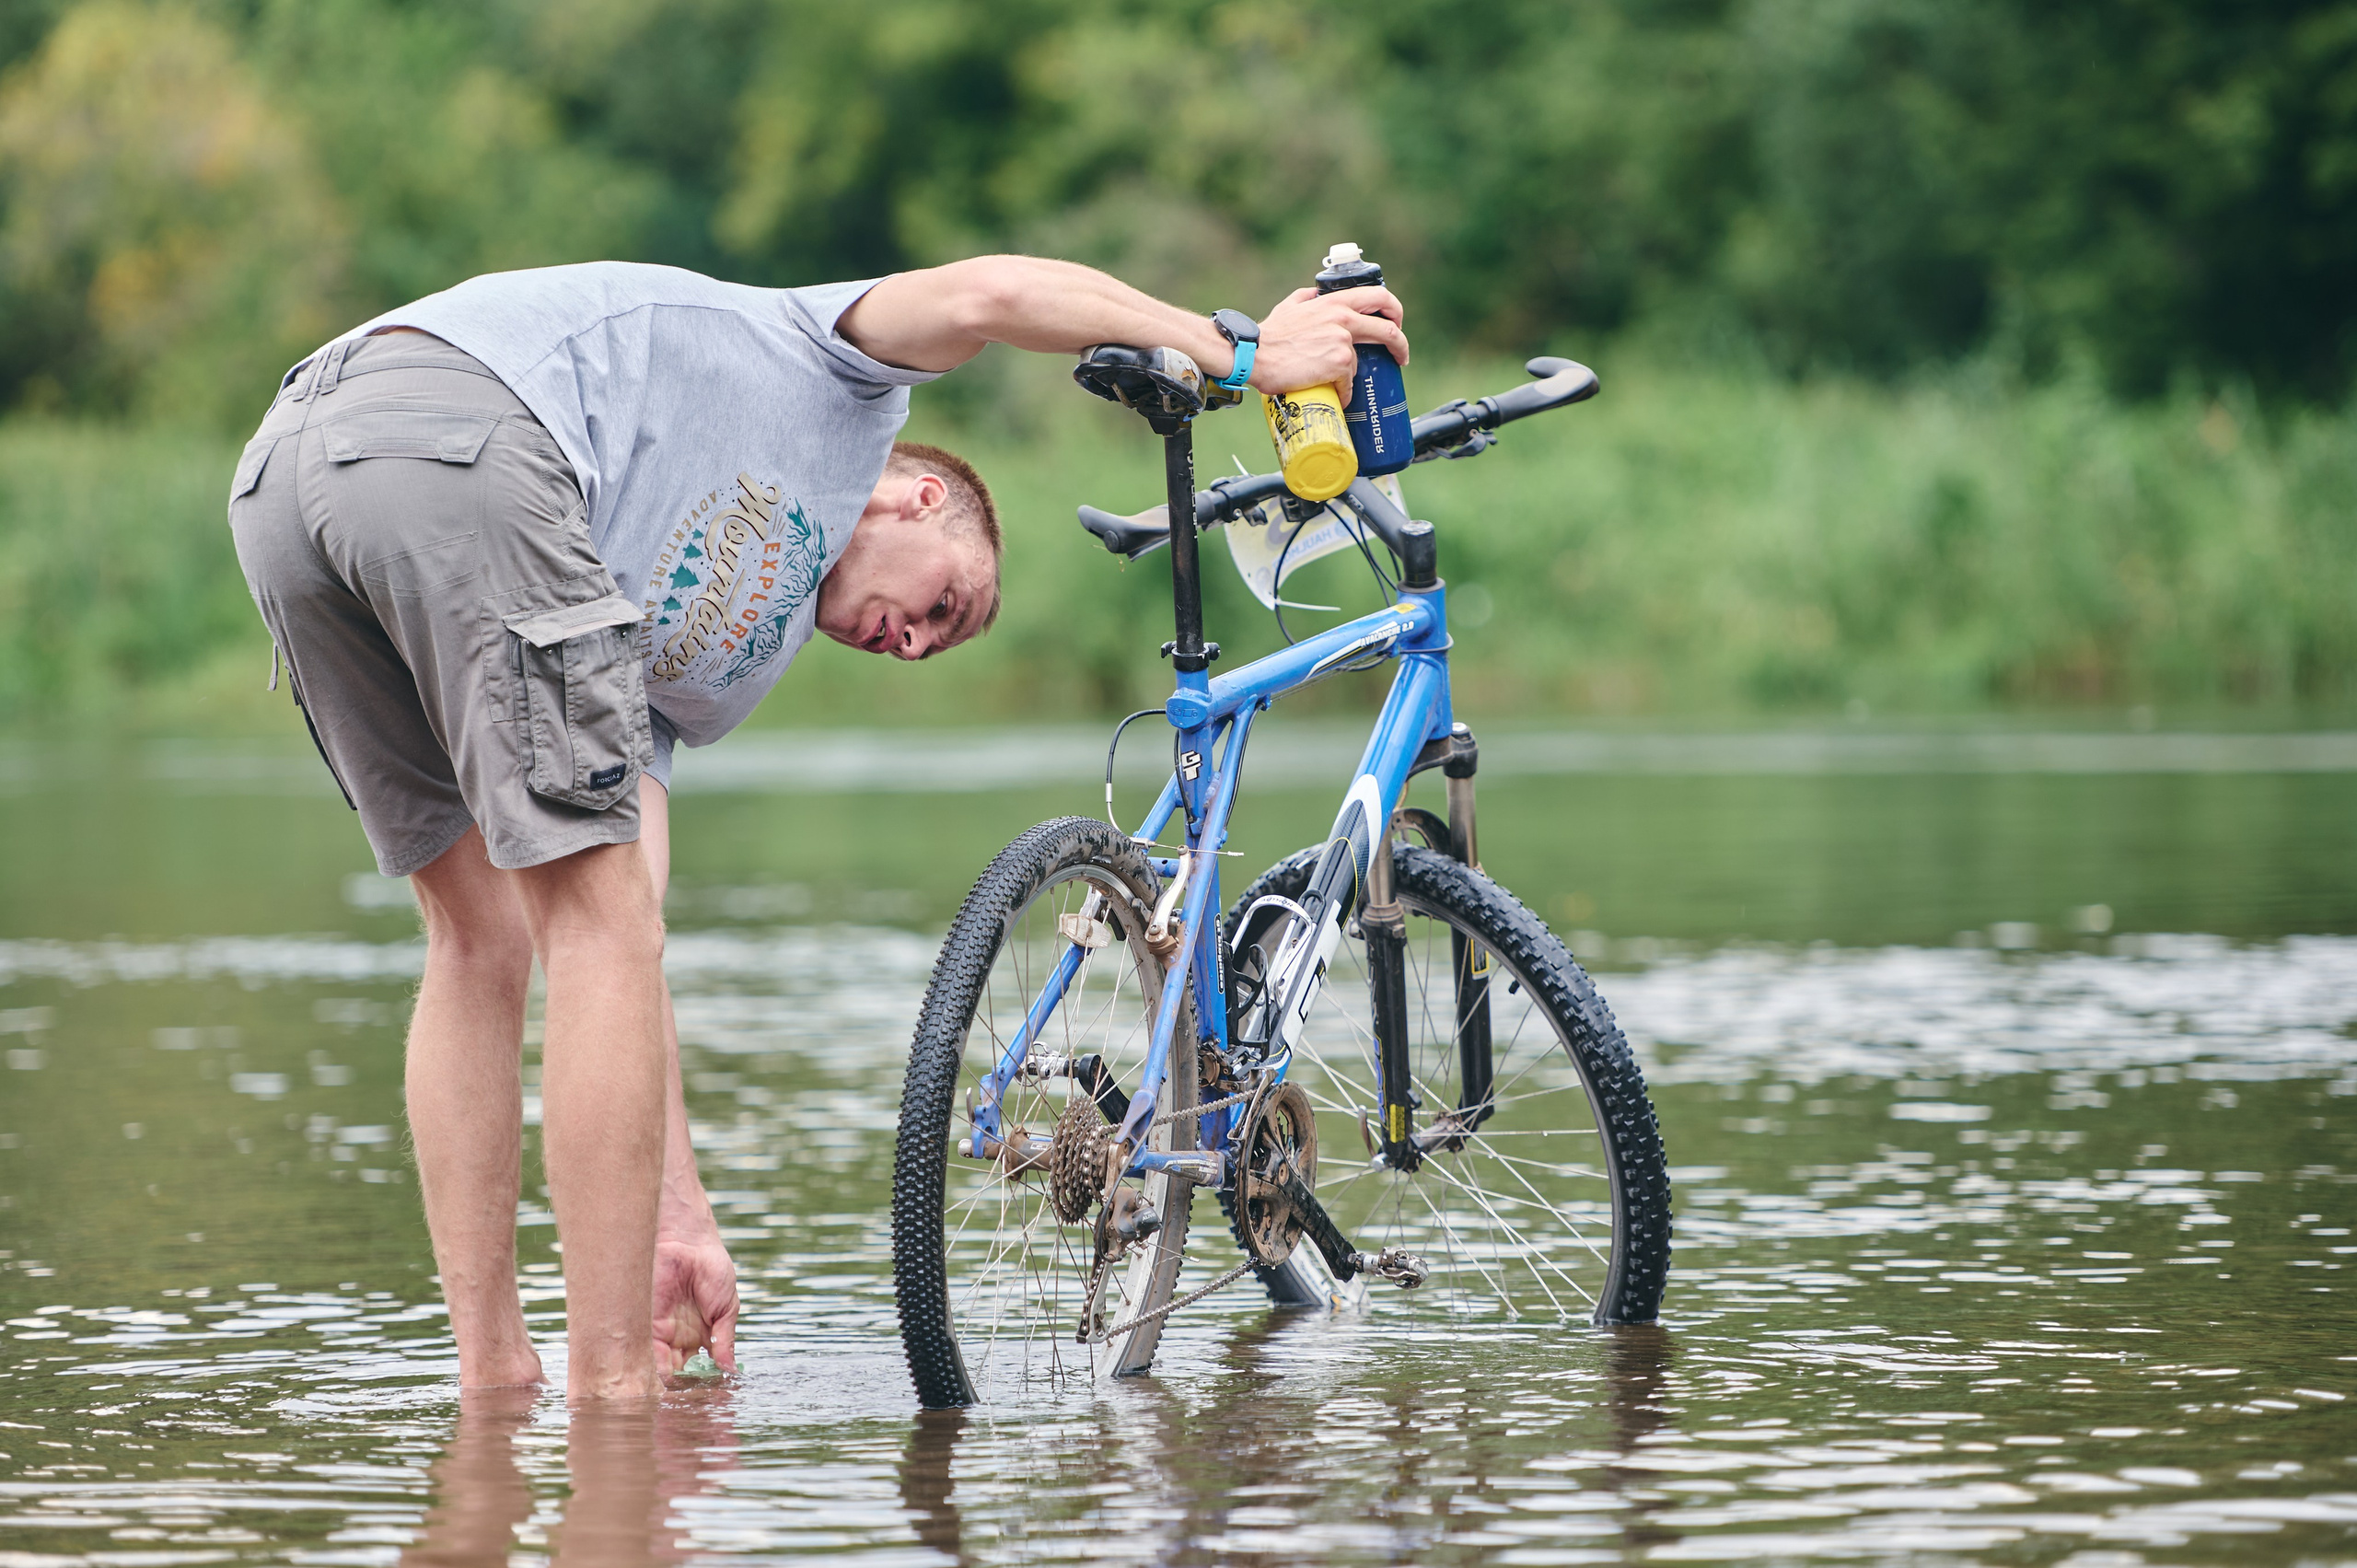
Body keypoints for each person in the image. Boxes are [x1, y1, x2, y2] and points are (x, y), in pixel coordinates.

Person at [226, 254, 1411, 1400]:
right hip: (458, 419)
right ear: (918, 492)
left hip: (289, 487)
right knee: (564, 934)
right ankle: (616, 1403)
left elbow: (625, 944)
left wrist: (677, 1213)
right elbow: (995, 292)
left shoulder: (697, 677)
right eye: (943, 603)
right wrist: (1247, 353)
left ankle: (494, 1385)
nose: (913, 641)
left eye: (931, 648)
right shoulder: (839, 385)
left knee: (486, 937)